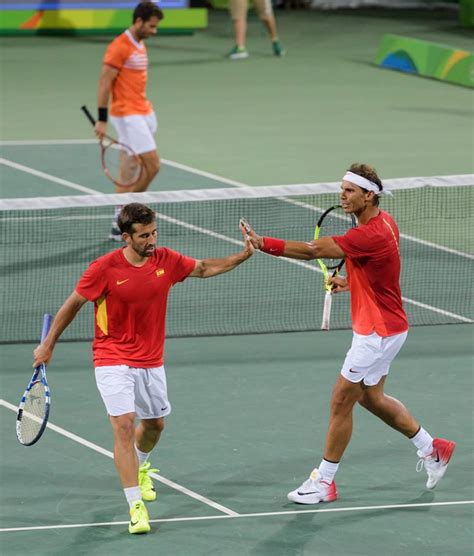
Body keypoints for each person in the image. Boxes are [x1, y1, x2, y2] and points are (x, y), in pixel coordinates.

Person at [33, 203, 254, 534]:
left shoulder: (166, 260)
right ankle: (135, 506)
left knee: (155, 426)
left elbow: (204, 268)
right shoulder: (103, 268)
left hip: (151, 361)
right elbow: (73, 303)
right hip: (111, 357)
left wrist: (242, 256)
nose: (151, 240)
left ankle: (140, 466)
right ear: (126, 237)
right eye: (144, 235)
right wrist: (48, 344)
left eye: (154, 232)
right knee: (123, 425)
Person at [242, 163, 456, 504]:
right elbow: (377, 274)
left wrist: (262, 242)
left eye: (349, 191)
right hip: (387, 327)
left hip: (377, 332)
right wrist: (350, 282)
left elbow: (313, 250)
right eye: (341, 189)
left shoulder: (368, 234)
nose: (342, 195)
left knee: (342, 400)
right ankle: (432, 448)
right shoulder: (384, 223)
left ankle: (324, 482)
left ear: (368, 195)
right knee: (371, 398)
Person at [94, 2, 164, 240]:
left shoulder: (139, 43)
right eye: (151, 26)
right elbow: (104, 83)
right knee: (153, 165)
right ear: (138, 21)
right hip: (127, 114)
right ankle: (130, 214)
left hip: (143, 111)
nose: (154, 31)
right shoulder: (119, 47)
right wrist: (102, 119)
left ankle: (118, 220)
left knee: (130, 168)